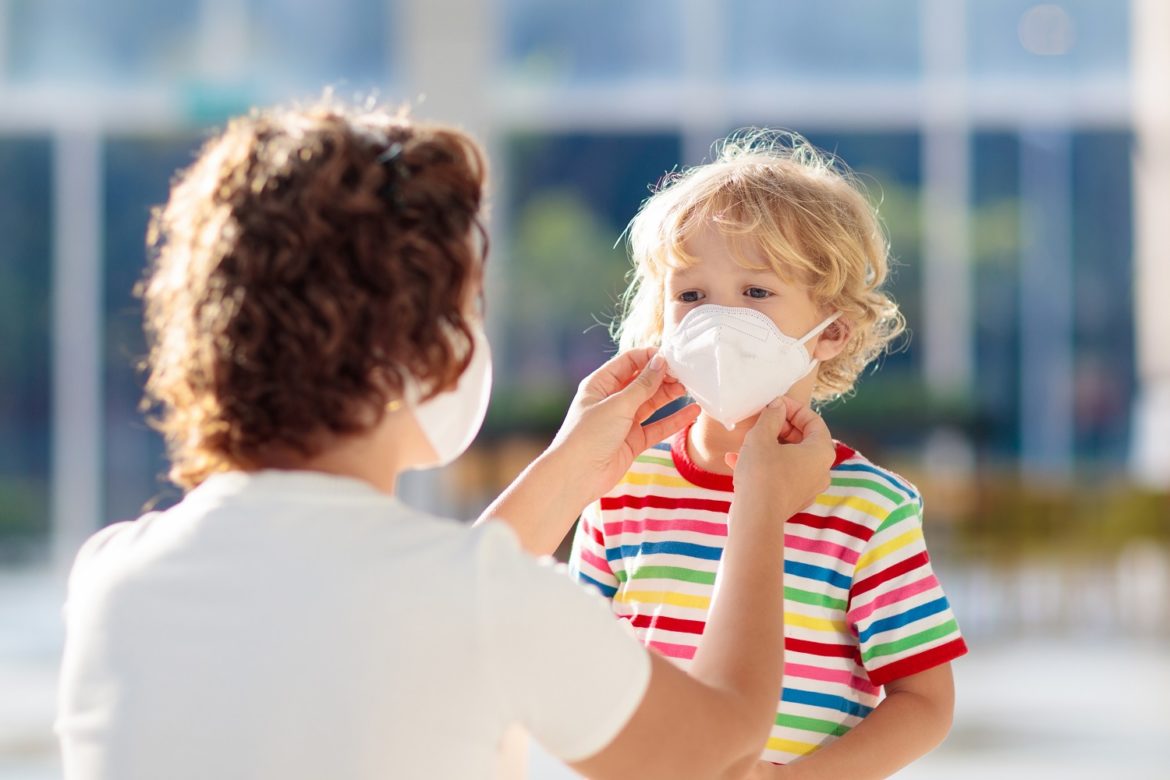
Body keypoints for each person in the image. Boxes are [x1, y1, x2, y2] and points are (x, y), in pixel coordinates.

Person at [55, 100, 839, 780]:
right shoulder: (482, 603)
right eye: (470, 308)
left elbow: (408, 618)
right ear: (424, 347)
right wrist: (760, 505)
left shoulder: (111, 579)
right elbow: (717, 745)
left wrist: (568, 471)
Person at [564, 131, 969, 778]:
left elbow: (924, 701)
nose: (719, 323)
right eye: (692, 296)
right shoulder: (621, 487)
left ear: (831, 330)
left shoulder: (869, 510)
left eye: (756, 293)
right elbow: (577, 666)